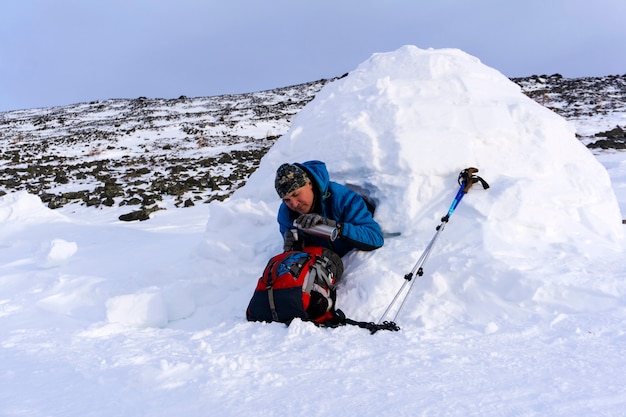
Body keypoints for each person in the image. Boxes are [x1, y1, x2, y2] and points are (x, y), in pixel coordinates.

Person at [274, 160, 384, 257]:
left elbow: (375, 237)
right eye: (286, 200)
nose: (294, 204)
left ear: (310, 184)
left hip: (354, 266)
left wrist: (338, 228)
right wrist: (296, 247)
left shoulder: (343, 199)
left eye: (295, 194)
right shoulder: (286, 214)